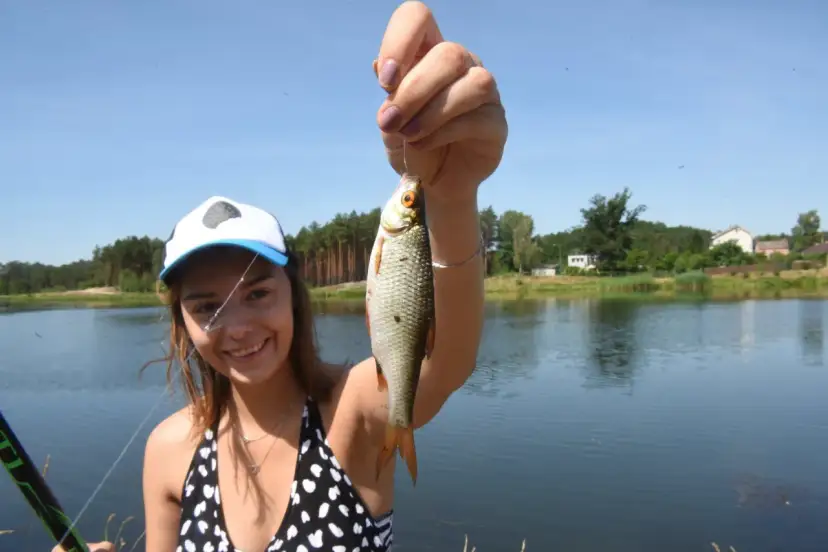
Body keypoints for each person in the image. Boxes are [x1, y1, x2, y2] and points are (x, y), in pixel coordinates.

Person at [54, 1, 506, 550]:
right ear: (181, 324)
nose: (238, 325)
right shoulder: (167, 450)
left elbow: (449, 358)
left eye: (259, 292)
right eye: (206, 306)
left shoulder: (355, 409)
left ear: (295, 296)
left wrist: (453, 199)